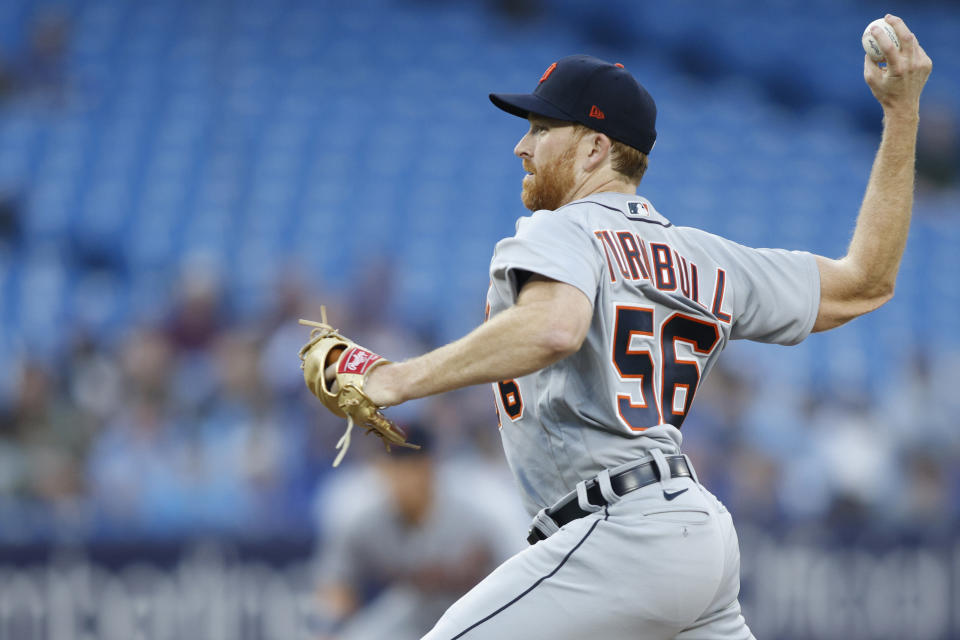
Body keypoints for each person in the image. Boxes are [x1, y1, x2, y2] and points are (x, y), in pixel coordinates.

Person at [316, 14, 932, 639]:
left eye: (540, 127)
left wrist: (395, 379)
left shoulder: (562, 227)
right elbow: (867, 283)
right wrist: (902, 114)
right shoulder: (702, 256)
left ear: (593, 147)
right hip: (696, 536)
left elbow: (554, 327)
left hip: (618, 533)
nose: (521, 146)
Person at [311, 424, 506, 640]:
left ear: (429, 466)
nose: (398, 477)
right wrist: (327, 626)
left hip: (468, 626)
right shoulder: (364, 525)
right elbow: (335, 587)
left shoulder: (475, 522)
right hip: (399, 627)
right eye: (392, 465)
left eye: (408, 465)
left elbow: (511, 586)